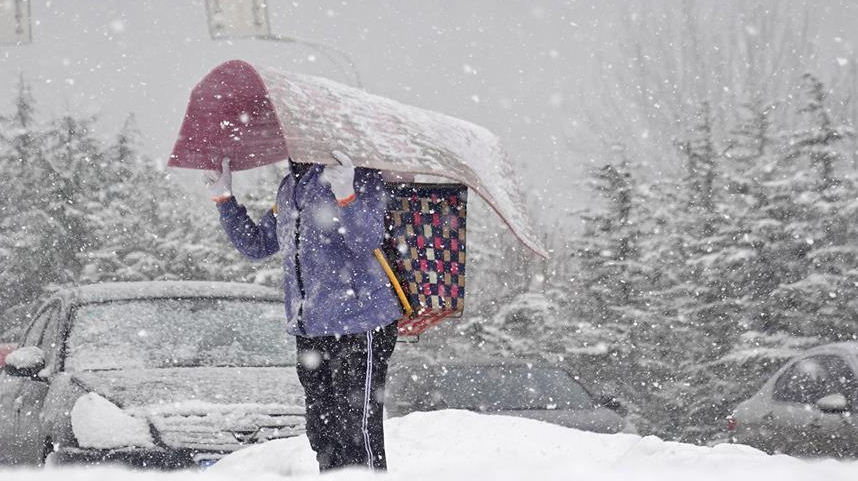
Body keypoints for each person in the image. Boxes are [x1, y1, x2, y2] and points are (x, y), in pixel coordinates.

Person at [204, 151, 401, 472]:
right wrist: (224, 199)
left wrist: (347, 195)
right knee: (323, 432)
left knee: (358, 432)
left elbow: (367, 240)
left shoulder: (360, 176)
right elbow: (258, 244)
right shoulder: (289, 187)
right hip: (310, 328)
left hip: (360, 323)